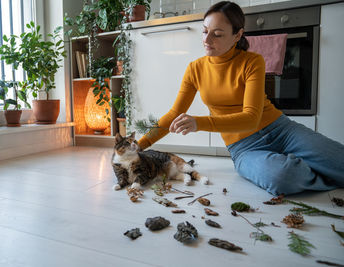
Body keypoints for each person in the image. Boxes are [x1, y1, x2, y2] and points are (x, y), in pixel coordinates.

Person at [137, 1, 344, 196]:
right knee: (283, 177)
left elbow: (252, 117)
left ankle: (311, 165)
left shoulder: (252, 61)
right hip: (245, 148)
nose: (207, 40)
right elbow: (174, 114)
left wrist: (198, 122)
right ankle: (315, 171)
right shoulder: (195, 69)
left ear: (238, 35)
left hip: (282, 130)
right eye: (205, 31)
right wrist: (138, 146)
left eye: (217, 34)